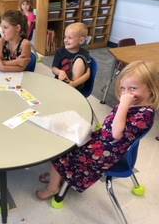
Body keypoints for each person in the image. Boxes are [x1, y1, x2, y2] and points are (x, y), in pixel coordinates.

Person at [36, 60, 158, 200]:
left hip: (104, 153)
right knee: (66, 141)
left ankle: (53, 187)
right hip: (102, 142)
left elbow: (116, 133)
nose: (125, 94)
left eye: (133, 88)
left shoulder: (145, 114)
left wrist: (123, 105)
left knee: (60, 154)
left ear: (151, 88)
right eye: (123, 88)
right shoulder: (134, 104)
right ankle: (58, 176)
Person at [51, 22, 91, 92]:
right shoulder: (60, 51)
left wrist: (73, 84)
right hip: (59, 84)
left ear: (81, 40)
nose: (65, 40)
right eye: (65, 37)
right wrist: (59, 72)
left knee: (79, 60)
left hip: (75, 86)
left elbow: (87, 74)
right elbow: (54, 68)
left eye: (70, 38)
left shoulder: (84, 54)